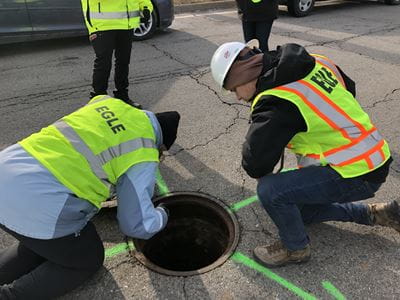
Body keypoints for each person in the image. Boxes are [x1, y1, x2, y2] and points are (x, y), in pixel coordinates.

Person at [210, 40, 396, 268]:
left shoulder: (277, 100)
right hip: (373, 156)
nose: (237, 97)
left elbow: (255, 163)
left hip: (356, 171)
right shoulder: (314, 61)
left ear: (243, 76)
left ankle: (296, 248)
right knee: (298, 210)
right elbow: (348, 88)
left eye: (233, 89)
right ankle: (375, 214)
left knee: (271, 191)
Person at [0, 95, 180, 299]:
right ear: (161, 147)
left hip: (8, 169)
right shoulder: (144, 151)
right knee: (88, 258)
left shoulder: (107, 102)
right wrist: (162, 213)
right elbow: (138, 226)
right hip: (39, 202)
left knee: (41, 246)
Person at [81, 0, 153, 109]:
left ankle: (122, 95)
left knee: (123, 62)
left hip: (126, 24)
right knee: (103, 63)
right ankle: (99, 100)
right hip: (102, 25)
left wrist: (146, 7)